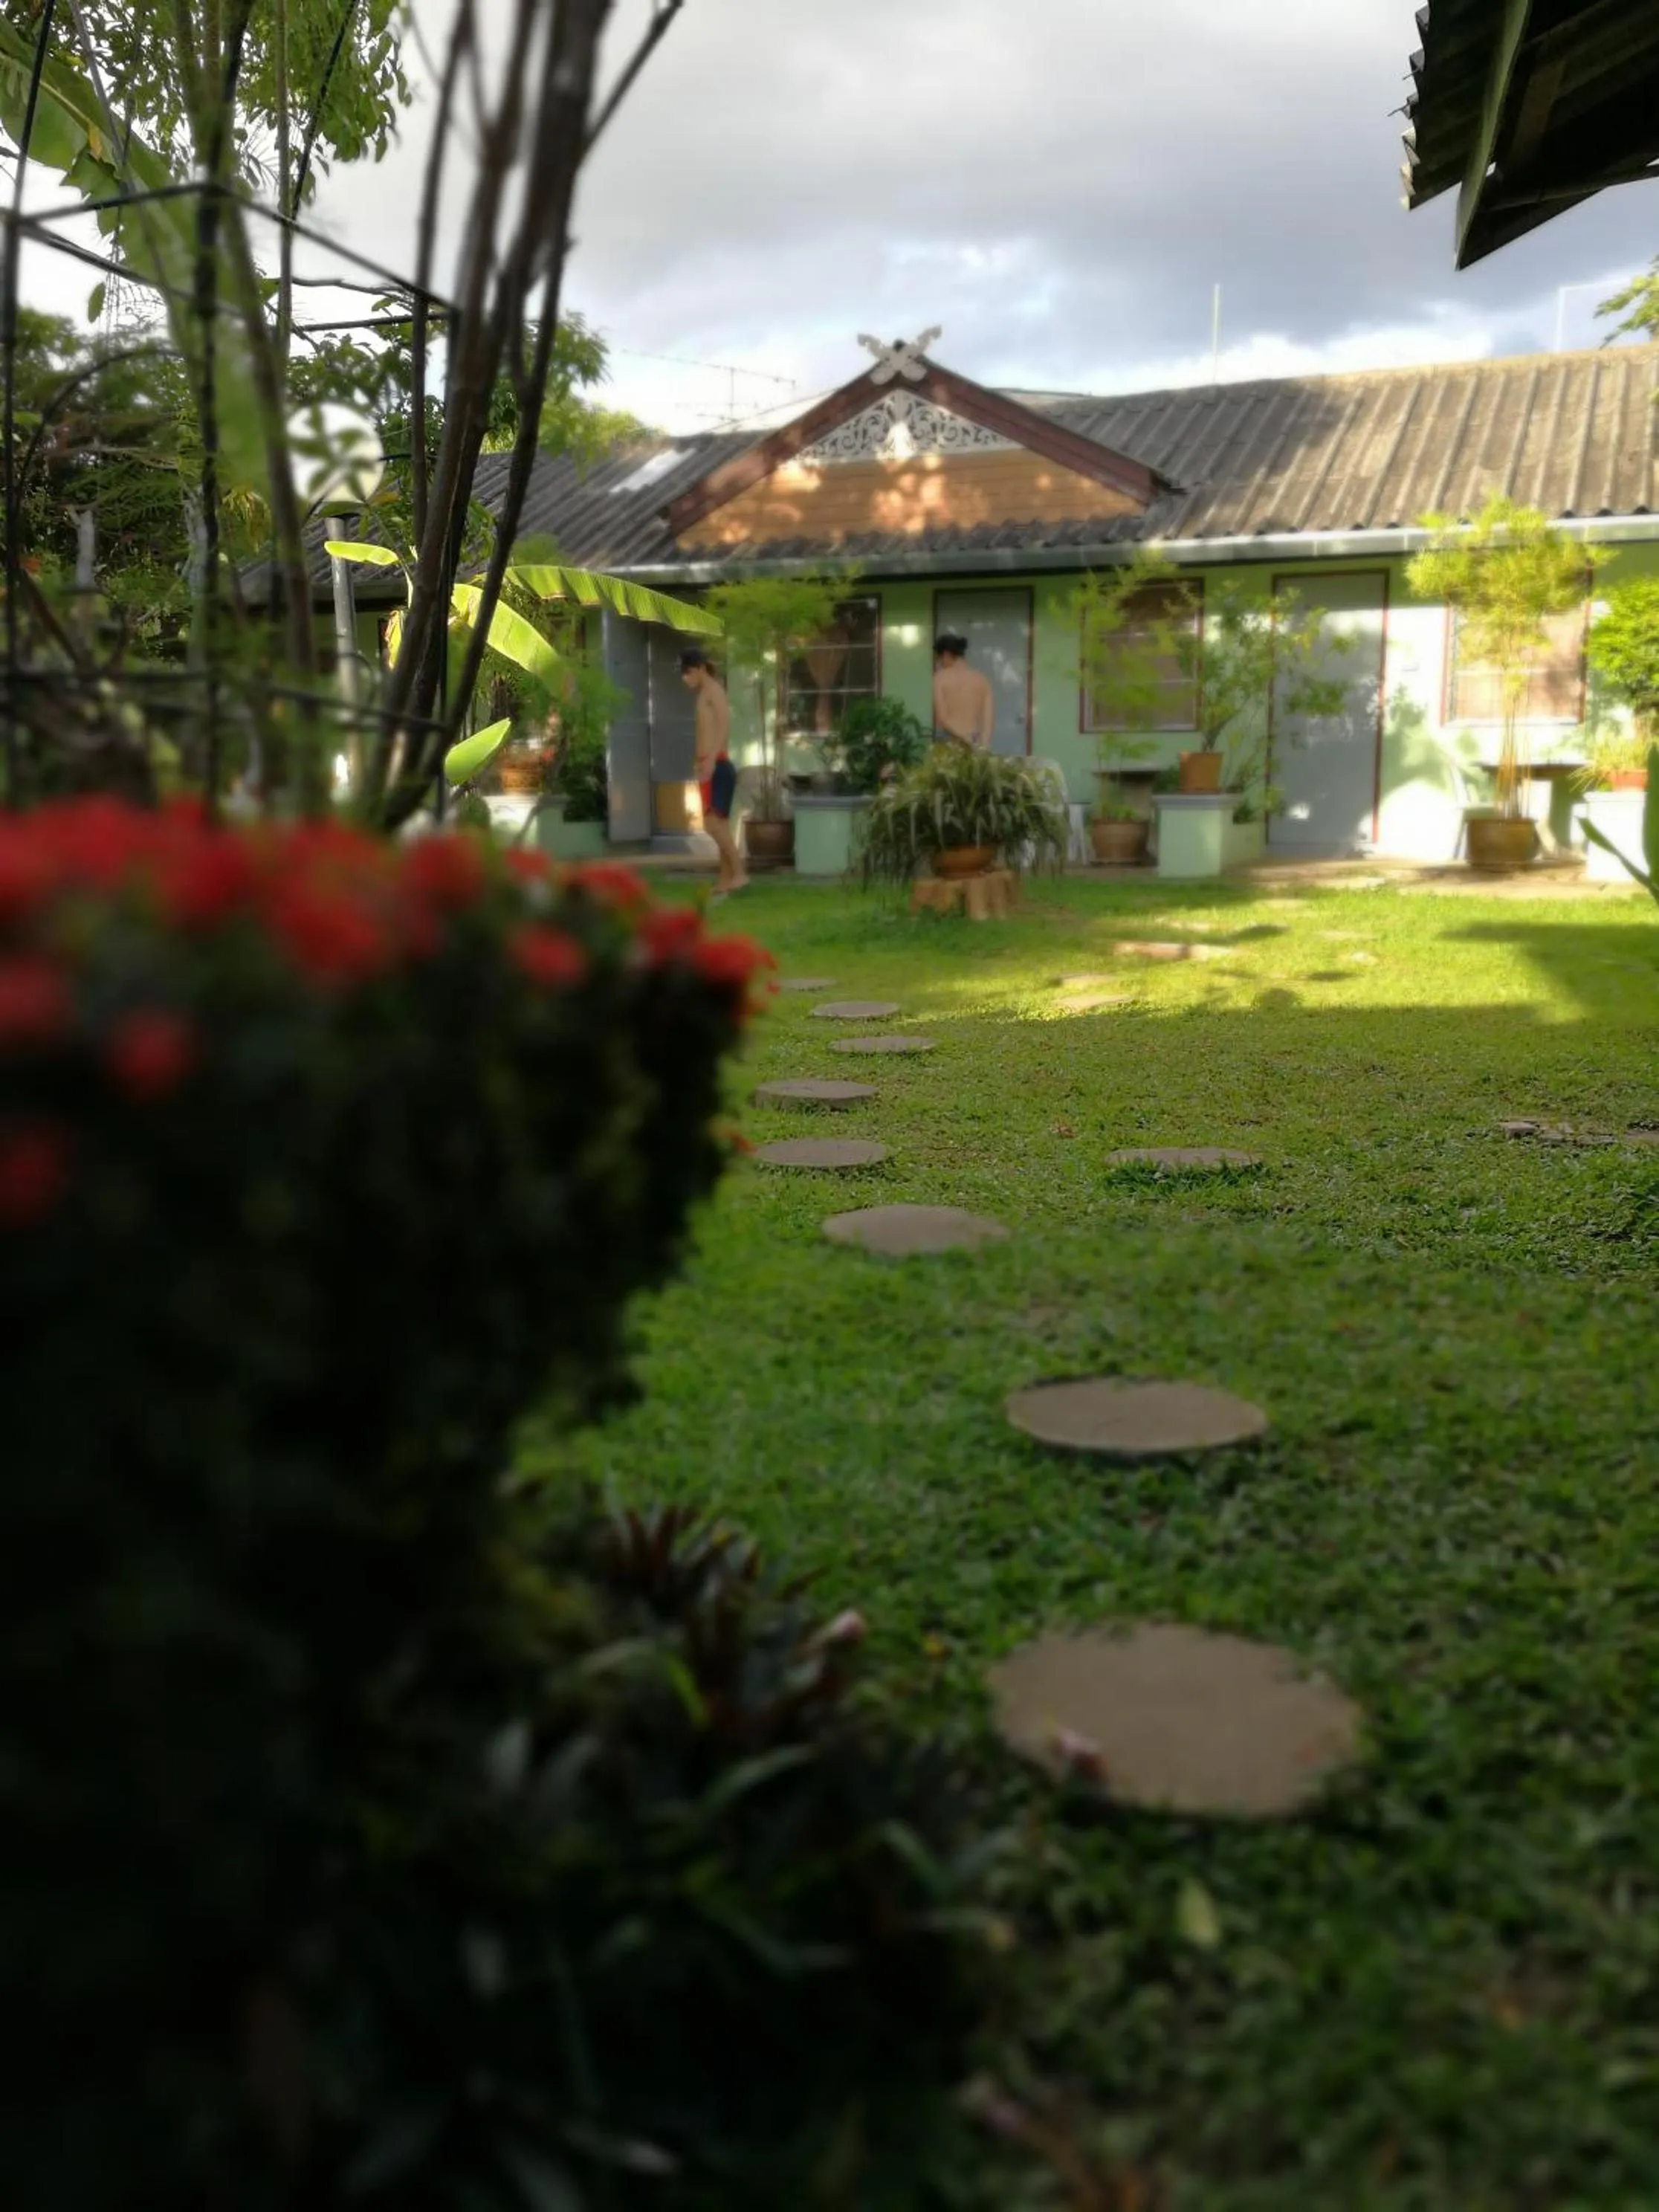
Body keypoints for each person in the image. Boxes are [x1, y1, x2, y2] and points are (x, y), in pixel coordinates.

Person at [679, 647, 746, 895]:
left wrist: (711, 761)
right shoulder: (703, 693)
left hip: (717, 763)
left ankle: (739, 873)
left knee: (712, 825)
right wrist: (700, 760)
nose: (685, 678)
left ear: (700, 669)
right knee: (718, 824)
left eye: (687, 673)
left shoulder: (714, 691)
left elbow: (724, 725)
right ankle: (725, 879)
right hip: (708, 763)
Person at [932, 633, 995, 750]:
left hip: (948, 742)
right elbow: (988, 720)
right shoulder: (981, 679)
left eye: (939, 659)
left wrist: (963, 738)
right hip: (974, 741)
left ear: (945, 654)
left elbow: (942, 718)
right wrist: (983, 745)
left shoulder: (939, 678)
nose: (939, 663)